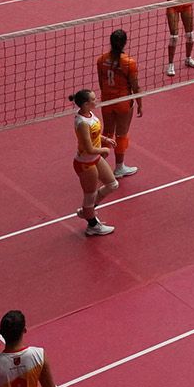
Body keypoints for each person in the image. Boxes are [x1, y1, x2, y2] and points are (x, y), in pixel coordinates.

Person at [95, 29, 142, 180]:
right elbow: (135, 86)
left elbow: (101, 82)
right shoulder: (129, 62)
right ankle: (119, 168)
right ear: (125, 43)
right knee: (121, 134)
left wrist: (106, 96)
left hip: (107, 100)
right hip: (122, 102)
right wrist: (140, 103)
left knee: (107, 133)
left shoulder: (101, 59)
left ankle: (96, 163)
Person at [67, 88, 116, 235]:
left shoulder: (89, 115)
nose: (96, 100)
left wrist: (105, 139)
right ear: (86, 104)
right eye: (93, 99)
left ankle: (87, 211)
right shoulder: (82, 122)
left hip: (94, 158)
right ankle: (92, 225)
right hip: (85, 162)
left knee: (112, 184)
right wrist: (104, 150)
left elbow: (94, 135)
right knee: (90, 194)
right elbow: (88, 148)